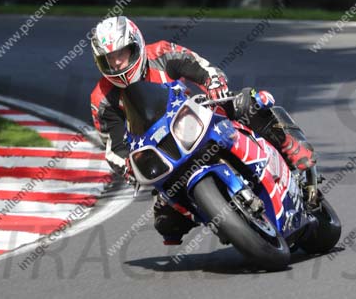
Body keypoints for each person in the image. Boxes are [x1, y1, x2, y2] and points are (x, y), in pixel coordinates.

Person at [90, 15, 315, 245]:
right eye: (109, 59)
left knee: (246, 103)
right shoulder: (102, 99)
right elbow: (114, 148)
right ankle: (226, 220)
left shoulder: (161, 53)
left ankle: (289, 143)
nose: (117, 63)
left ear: (136, 46)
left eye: (121, 53)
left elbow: (201, 67)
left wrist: (213, 83)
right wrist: (127, 166)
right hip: (164, 154)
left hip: (195, 120)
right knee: (166, 222)